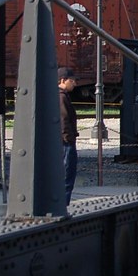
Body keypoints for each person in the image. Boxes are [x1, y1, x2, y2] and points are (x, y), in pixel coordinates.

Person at [58, 67, 79, 204]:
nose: (75, 84)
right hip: (65, 142)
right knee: (67, 173)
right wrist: (69, 139)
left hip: (63, 141)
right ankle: (63, 203)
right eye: (72, 81)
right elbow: (63, 119)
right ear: (63, 80)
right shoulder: (61, 97)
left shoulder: (60, 96)